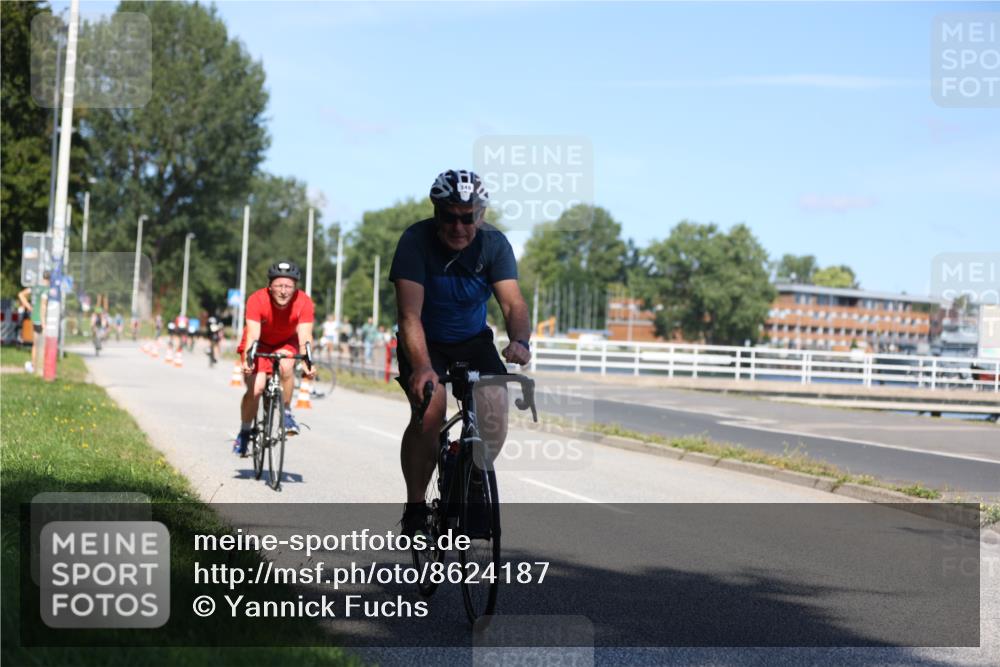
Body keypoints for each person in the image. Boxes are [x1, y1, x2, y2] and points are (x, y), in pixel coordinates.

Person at [389, 169, 531, 536]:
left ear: (480, 215)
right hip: (425, 339)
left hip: (472, 339)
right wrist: (421, 367)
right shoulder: (415, 241)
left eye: (467, 218)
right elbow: (409, 315)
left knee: (495, 411)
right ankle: (416, 506)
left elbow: (514, 304)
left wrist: (520, 341)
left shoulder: (494, 244)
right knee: (431, 412)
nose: (458, 226)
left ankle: (473, 481)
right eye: (449, 216)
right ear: (436, 211)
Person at [232, 261, 316, 456]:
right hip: (259, 342)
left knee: (287, 366)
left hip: (286, 342)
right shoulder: (257, 300)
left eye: (288, 286)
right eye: (279, 286)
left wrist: (307, 362)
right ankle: (245, 432)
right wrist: (247, 359)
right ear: (270, 286)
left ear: (295, 288)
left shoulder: (304, 302)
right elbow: (253, 334)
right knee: (257, 387)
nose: (284, 291)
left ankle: (286, 412)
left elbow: (305, 336)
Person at [17, 271, 49, 373]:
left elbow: (21, 294)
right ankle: (41, 367)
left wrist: (29, 306)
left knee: (36, 344)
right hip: (42, 319)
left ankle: (34, 365)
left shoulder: (35, 287)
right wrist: (44, 323)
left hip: (35, 318)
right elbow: (43, 306)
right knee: (43, 344)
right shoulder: (46, 289)